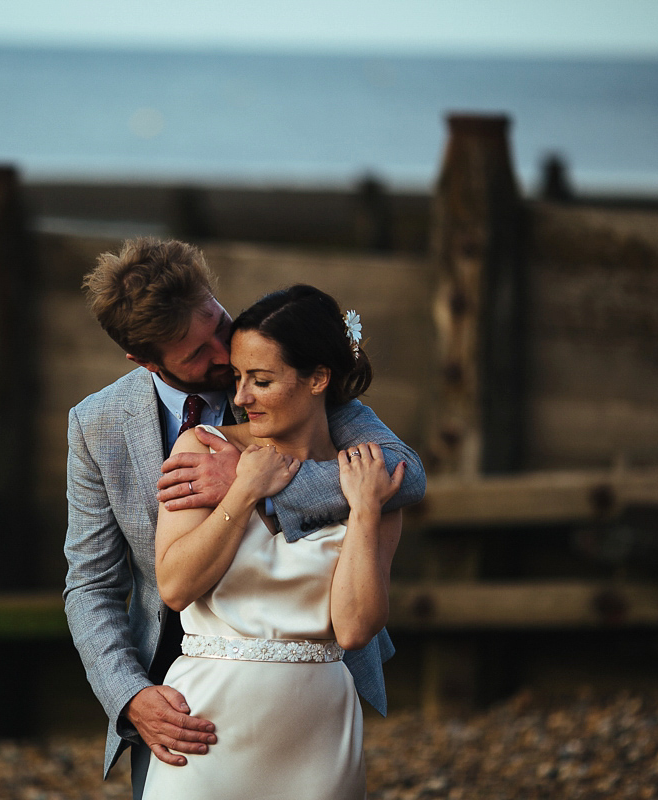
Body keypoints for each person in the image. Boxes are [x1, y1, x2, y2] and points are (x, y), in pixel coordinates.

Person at [63, 238, 425, 798]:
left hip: (316, 694)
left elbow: (405, 476)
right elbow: (91, 583)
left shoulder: (289, 376)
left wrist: (254, 483)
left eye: (217, 322)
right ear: (146, 360)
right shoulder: (98, 424)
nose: (223, 354)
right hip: (179, 690)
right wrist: (129, 694)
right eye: (195, 352)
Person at [142, 284, 404, 799]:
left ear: (318, 379)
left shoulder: (367, 478)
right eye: (238, 378)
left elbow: (353, 629)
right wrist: (243, 491)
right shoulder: (203, 449)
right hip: (207, 728)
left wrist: (367, 512)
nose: (239, 398)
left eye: (261, 381)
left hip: (317, 736)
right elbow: (174, 588)